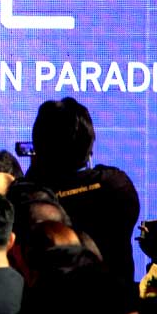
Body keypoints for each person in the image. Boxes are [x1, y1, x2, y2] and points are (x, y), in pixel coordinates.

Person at [25, 97, 139, 285]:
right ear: (89, 146)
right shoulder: (117, 185)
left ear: (39, 148)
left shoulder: (33, 199)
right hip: (115, 298)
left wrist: (35, 171)